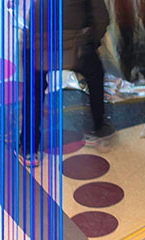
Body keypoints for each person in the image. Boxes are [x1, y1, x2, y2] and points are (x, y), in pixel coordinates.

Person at [20, 0, 112, 166]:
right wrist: (93, 42)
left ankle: (29, 148)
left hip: (39, 45)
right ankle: (98, 130)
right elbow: (101, 18)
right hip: (75, 47)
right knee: (96, 75)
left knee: (33, 91)